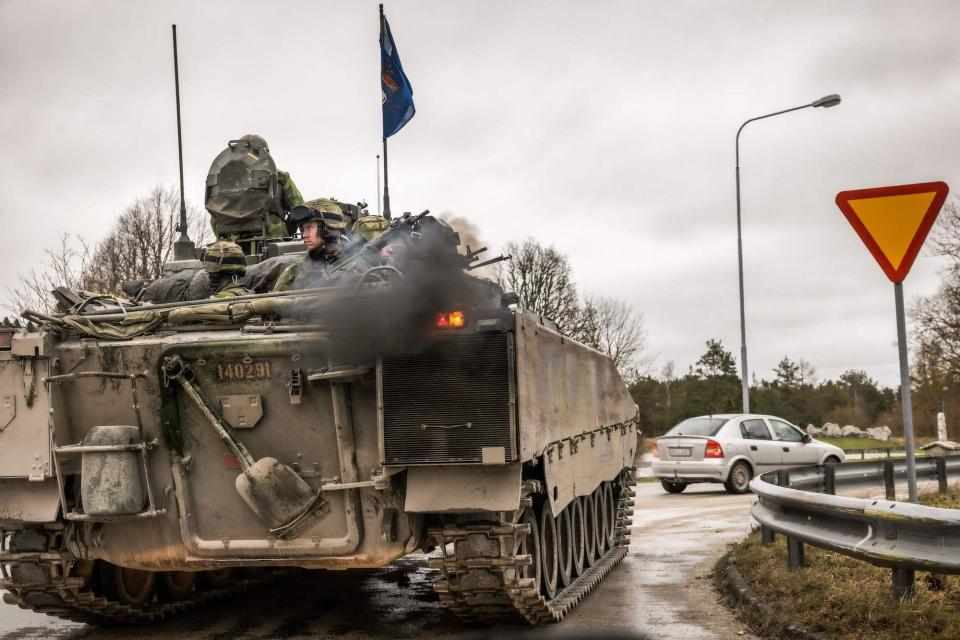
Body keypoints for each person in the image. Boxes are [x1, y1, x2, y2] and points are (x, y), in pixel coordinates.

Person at [205, 134, 304, 240]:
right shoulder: (279, 178)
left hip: (229, 243)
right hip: (272, 239)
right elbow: (300, 209)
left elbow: (214, 217)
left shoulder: (220, 179)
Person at [272, 198, 349, 291]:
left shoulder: (357, 262)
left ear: (328, 229)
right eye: (302, 229)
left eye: (309, 228)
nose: (304, 235)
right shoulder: (294, 273)